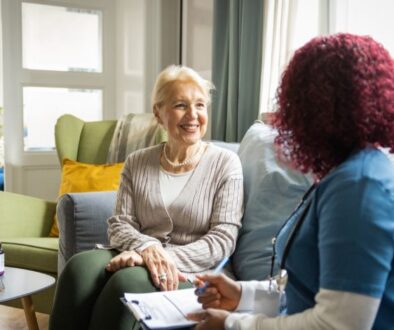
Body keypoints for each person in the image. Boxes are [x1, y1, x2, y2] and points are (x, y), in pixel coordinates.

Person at [188, 33, 394, 329]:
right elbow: (311, 288)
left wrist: (233, 325)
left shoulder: (359, 187)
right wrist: (243, 294)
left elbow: (338, 324)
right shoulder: (342, 175)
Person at [49, 65, 244, 330]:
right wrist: (146, 247)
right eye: (180, 105)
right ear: (158, 113)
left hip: (195, 269)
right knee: (78, 269)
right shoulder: (137, 162)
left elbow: (222, 240)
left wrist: (156, 256)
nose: (193, 115)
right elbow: (119, 224)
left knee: (125, 283)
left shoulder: (226, 164)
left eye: (200, 105)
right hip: (136, 253)